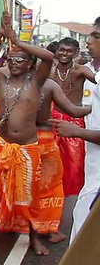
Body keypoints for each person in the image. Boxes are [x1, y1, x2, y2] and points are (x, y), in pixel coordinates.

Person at [0, 78, 90, 244]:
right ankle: (44, 229)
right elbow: (74, 111)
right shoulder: (46, 84)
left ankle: (17, 225)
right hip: (32, 143)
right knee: (43, 187)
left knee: (8, 185)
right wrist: (93, 106)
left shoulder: (13, 84)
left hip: (23, 143)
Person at [0, 12, 55, 255]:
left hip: (27, 149)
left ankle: (34, 238)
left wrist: (17, 40)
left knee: (30, 195)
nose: (14, 63)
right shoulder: (0, 81)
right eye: (10, 59)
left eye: (20, 59)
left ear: (30, 64)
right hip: (2, 147)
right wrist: (1, 32)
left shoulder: (36, 82)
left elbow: (49, 56)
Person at [60, 16, 100, 244]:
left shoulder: (87, 73)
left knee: (83, 233)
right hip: (93, 162)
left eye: (96, 36)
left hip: (97, 175)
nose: (89, 42)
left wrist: (75, 131)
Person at [50, 37, 96, 197]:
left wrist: (91, 108)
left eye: (69, 51)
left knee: (75, 167)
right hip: (53, 119)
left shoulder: (81, 70)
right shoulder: (49, 71)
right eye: (62, 50)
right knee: (50, 164)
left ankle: (73, 197)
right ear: (56, 51)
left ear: (75, 53)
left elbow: (97, 81)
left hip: (75, 121)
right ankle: (52, 199)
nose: (64, 53)